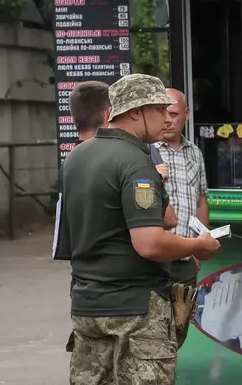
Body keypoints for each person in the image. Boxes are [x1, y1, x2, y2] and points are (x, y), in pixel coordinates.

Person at [60, 74, 221, 384]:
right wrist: (197, 247)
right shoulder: (136, 162)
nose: (167, 117)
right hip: (134, 312)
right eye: (159, 109)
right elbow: (149, 242)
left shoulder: (75, 158)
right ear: (136, 111)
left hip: (87, 306)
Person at [152, 88, 209, 287]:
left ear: (186, 115)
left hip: (187, 258)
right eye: (162, 113)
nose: (167, 120)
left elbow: (201, 201)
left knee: (183, 316)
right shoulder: (145, 151)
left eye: (174, 114)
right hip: (156, 259)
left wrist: (199, 249)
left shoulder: (195, 153)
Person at [52, 80, 111, 261]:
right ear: (108, 114)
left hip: (82, 270)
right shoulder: (110, 159)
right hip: (109, 273)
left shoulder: (70, 161)